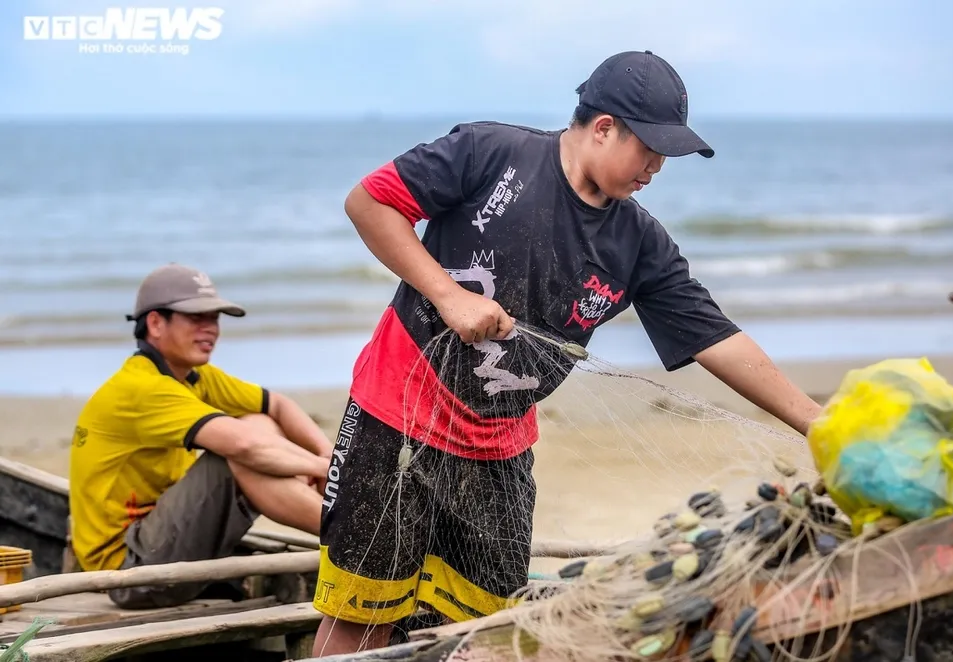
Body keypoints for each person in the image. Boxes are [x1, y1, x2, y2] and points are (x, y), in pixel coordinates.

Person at [310, 50, 823, 654]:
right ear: (604, 126)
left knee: (473, 629)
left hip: (499, 447)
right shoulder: (489, 153)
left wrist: (816, 422)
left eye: (667, 155)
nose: (656, 167)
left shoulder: (638, 242)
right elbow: (369, 202)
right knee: (362, 611)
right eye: (650, 149)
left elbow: (714, 335)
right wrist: (447, 294)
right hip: (397, 415)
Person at [68, 263, 334, 609]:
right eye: (196, 318)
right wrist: (321, 468)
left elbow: (278, 405)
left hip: (164, 544)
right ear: (155, 323)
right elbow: (243, 445)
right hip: (129, 573)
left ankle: (345, 526)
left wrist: (328, 457)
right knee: (237, 450)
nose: (210, 329)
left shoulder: (194, 377)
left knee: (256, 419)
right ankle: (352, 535)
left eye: (215, 319)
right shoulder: (141, 387)